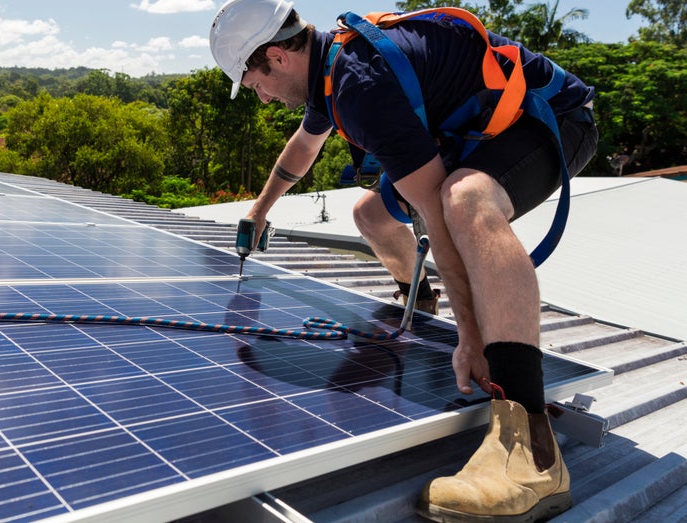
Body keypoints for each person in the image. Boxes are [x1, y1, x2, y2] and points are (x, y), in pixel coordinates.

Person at [209, 1, 598, 522]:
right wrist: (259, 212)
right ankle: (420, 301)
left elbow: (435, 213)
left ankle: (530, 451)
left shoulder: (360, 85)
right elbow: (303, 146)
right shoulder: (327, 70)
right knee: (370, 214)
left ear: (277, 57)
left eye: (256, 83)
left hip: (552, 121)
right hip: (480, 133)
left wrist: (471, 337)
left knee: (464, 200)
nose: (262, 96)